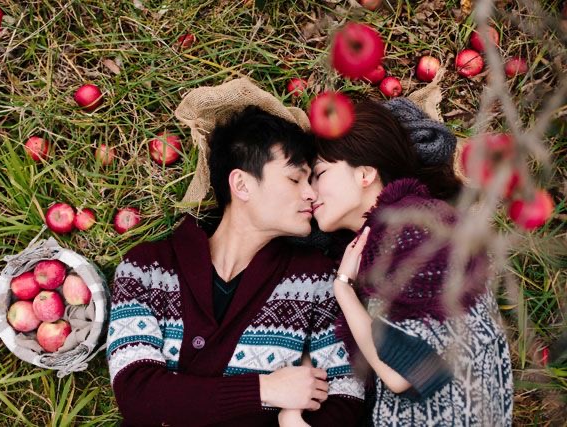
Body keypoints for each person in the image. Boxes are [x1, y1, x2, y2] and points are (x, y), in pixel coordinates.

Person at [106, 99, 366, 426]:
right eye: (295, 179)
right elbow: (137, 394)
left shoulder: (315, 280)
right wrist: (265, 390)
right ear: (242, 185)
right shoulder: (145, 269)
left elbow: (348, 397)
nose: (311, 194)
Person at [307, 98, 514, 426]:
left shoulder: (415, 228)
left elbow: (409, 372)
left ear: (365, 173)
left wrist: (343, 290)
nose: (310, 192)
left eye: (319, 173)